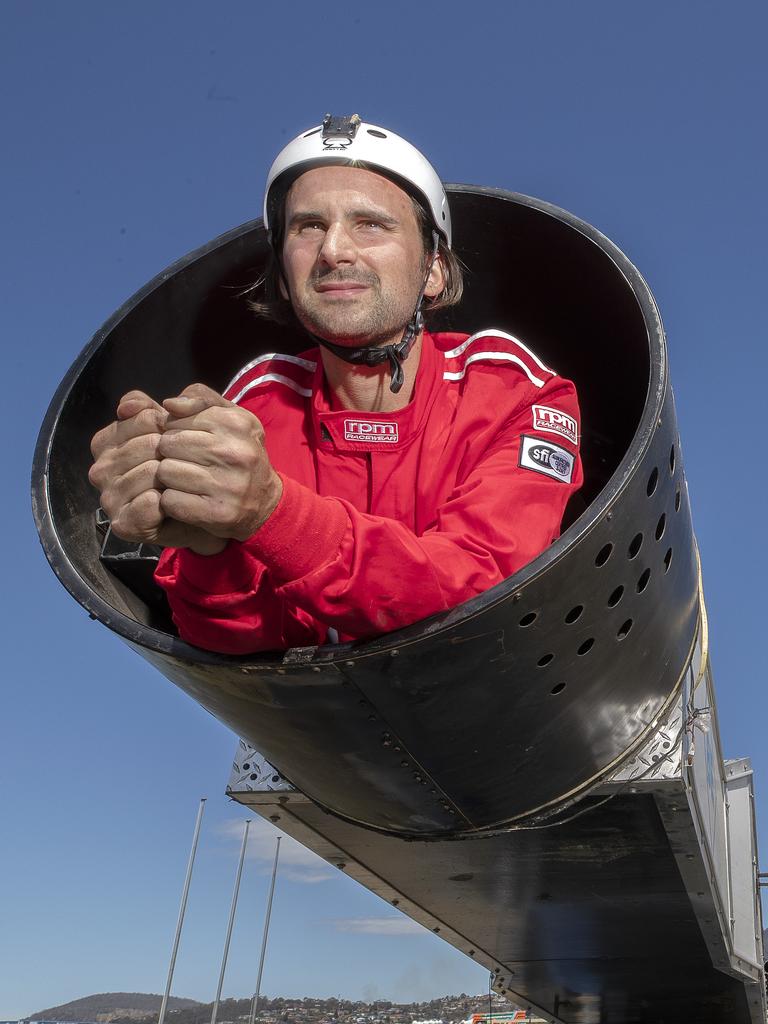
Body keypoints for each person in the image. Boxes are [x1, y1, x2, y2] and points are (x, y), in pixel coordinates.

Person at [89, 114, 583, 655]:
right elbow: (252, 655)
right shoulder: (253, 407)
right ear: (282, 274)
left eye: (371, 223)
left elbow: (484, 590)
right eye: (308, 227)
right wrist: (211, 555)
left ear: (434, 270)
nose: (333, 250)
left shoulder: (516, 391)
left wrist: (269, 514)